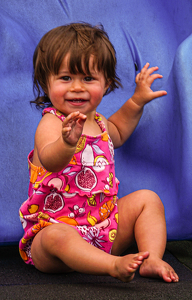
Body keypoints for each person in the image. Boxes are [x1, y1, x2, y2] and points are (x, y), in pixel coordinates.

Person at [19, 22, 179, 283]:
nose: (77, 87)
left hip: (104, 230)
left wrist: (137, 100)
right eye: (66, 77)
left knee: (148, 199)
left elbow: (119, 130)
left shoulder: (101, 122)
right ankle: (111, 266)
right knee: (55, 237)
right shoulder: (52, 122)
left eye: (88, 78)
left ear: (106, 84)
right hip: (54, 234)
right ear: (45, 83)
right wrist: (67, 144)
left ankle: (152, 258)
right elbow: (49, 161)